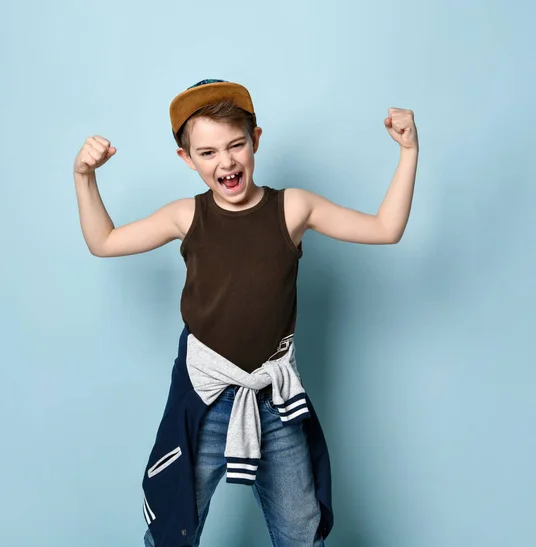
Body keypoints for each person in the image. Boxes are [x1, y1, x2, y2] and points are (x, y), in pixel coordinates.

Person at [72, 79, 418, 547]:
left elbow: (386, 228)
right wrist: (84, 178)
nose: (226, 161)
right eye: (208, 152)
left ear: (255, 141)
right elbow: (104, 242)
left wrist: (408, 153)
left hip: (274, 401)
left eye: (236, 145)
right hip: (205, 398)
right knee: (175, 522)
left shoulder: (293, 207)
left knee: (301, 525)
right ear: (187, 159)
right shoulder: (186, 216)